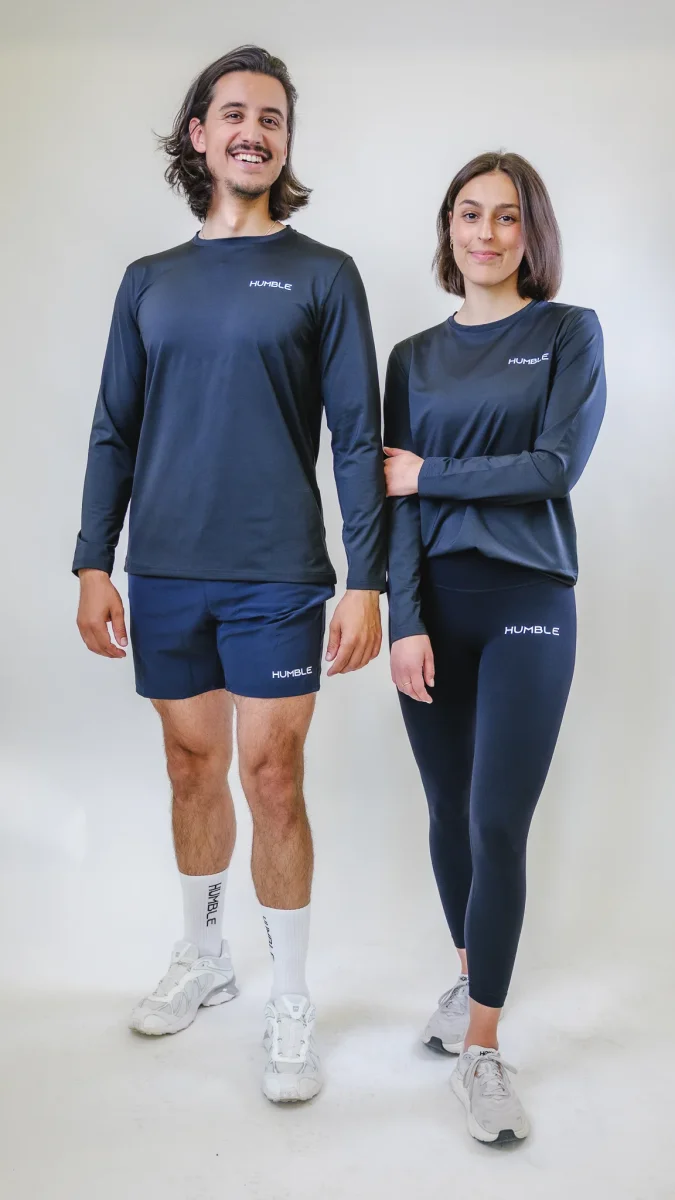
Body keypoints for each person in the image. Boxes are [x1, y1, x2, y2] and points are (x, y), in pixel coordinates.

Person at [73, 45, 385, 1104]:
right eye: (236, 113)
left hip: (278, 576)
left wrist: (367, 579)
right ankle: (205, 956)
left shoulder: (322, 274)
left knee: (274, 778)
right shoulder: (148, 281)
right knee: (189, 769)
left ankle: (289, 997)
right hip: (164, 572)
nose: (254, 130)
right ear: (200, 135)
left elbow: (356, 438)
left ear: (285, 144)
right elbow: (113, 429)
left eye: (273, 117)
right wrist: (93, 560)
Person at [383, 151, 605, 1143]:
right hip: (436, 608)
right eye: (469, 214)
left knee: (496, 821)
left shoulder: (565, 333)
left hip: (528, 600)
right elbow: (391, 504)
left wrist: (431, 473)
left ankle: (481, 1049)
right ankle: (470, 979)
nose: (486, 232)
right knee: (446, 810)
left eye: (506, 216)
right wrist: (402, 620)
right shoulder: (410, 358)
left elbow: (555, 466)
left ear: (530, 232)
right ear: (449, 228)